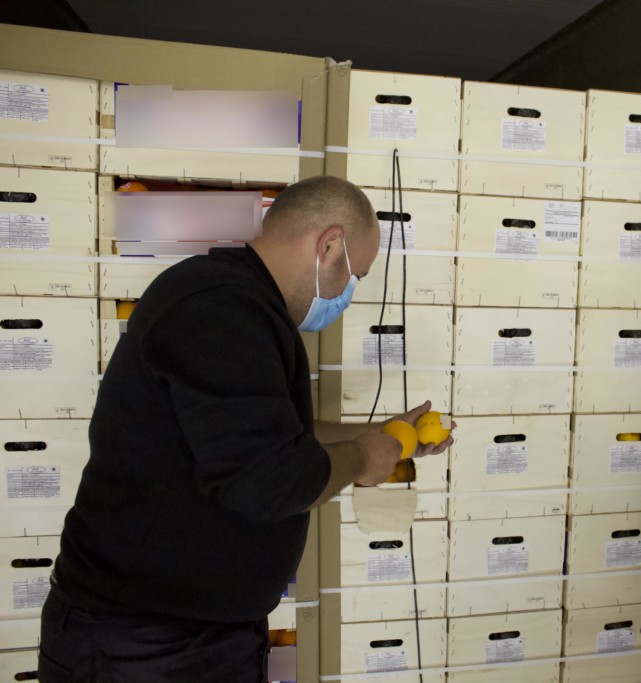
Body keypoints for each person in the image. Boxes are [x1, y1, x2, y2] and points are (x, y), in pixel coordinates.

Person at [37, 176, 452, 682]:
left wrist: (378, 433)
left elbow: (273, 434)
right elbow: (271, 478)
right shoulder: (219, 308)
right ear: (329, 246)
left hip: (199, 633)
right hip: (143, 644)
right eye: (355, 276)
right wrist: (364, 458)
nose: (348, 295)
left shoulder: (242, 304)